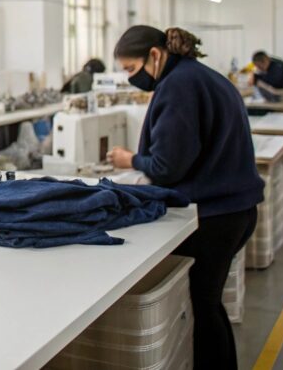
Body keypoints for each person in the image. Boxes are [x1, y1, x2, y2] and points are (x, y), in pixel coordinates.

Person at [106, 26, 263, 370]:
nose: (131, 78)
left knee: (205, 306)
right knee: (208, 303)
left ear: (155, 55)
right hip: (236, 209)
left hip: (214, 217)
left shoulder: (178, 86)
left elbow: (166, 166)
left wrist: (129, 160)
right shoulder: (201, 76)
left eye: (132, 70)